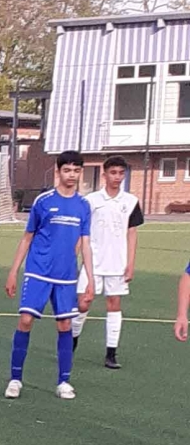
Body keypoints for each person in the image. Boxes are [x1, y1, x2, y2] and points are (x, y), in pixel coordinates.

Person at [4, 150, 95, 401]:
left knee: (65, 325)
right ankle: (15, 379)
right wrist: (13, 272)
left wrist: (91, 278)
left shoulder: (83, 206)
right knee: (25, 320)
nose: (71, 175)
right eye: (67, 170)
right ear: (58, 171)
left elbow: (85, 244)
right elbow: (27, 238)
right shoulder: (43, 201)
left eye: (76, 170)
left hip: (66, 276)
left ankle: (64, 382)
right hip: (38, 272)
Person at [80, 154, 143, 367]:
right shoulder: (91, 201)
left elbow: (132, 234)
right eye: (113, 173)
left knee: (114, 303)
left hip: (118, 263)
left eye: (121, 173)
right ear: (104, 174)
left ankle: (111, 354)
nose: (117, 177)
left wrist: (130, 263)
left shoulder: (131, 202)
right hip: (93, 262)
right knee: (83, 303)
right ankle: (71, 342)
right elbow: (82, 233)